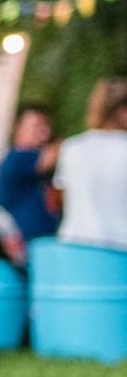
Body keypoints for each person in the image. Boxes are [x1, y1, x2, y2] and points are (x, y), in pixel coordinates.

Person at [54, 77, 127, 251]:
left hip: (74, 250)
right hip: (120, 253)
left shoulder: (71, 147)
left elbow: (60, 199)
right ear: (122, 112)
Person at [0, 106, 61, 248]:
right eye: (36, 126)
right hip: (25, 245)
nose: (44, 131)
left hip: (41, 242)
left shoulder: (33, 162)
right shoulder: (18, 157)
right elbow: (50, 157)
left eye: (46, 125)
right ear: (19, 129)